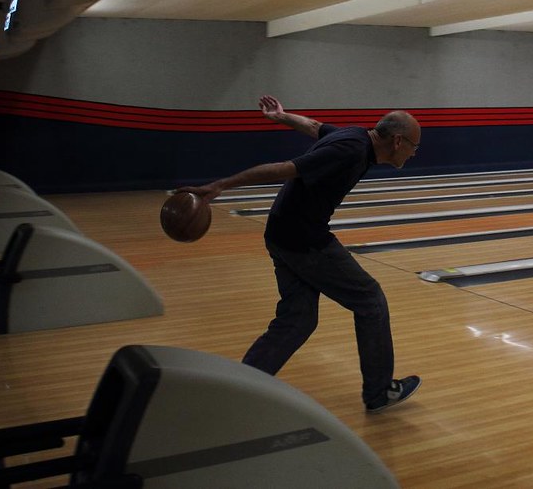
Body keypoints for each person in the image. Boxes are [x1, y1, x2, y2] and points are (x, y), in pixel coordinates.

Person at [177, 95, 422, 413]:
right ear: (398, 141)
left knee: (298, 319)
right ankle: (378, 392)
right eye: (414, 146)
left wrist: (281, 116)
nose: (415, 153)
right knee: (370, 300)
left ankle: (241, 384)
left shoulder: (355, 136)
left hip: (282, 233)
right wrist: (221, 185)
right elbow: (285, 169)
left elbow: (315, 126)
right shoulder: (349, 150)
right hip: (306, 240)